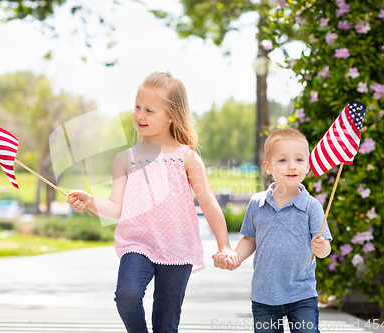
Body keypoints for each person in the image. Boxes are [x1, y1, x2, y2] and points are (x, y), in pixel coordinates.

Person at [66, 71, 239, 333]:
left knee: (165, 326)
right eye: (137, 106)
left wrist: (224, 245)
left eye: (149, 110)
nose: (139, 115)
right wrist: (89, 201)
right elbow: (114, 209)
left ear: (171, 115)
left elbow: (208, 203)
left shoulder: (187, 158)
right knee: (126, 295)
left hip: (177, 248)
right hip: (137, 244)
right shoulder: (125, 159)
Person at [214, 128, 332, 333]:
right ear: (268, 167)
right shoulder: (257, 203)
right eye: (283, 160)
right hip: (265, 295)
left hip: (301, 293)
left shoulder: (312, 206)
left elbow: (324, 249)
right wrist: (236, 257)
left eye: (299, 160)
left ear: (307, 165)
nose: (292, 166)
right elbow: (250, 239)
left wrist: (321, 247)